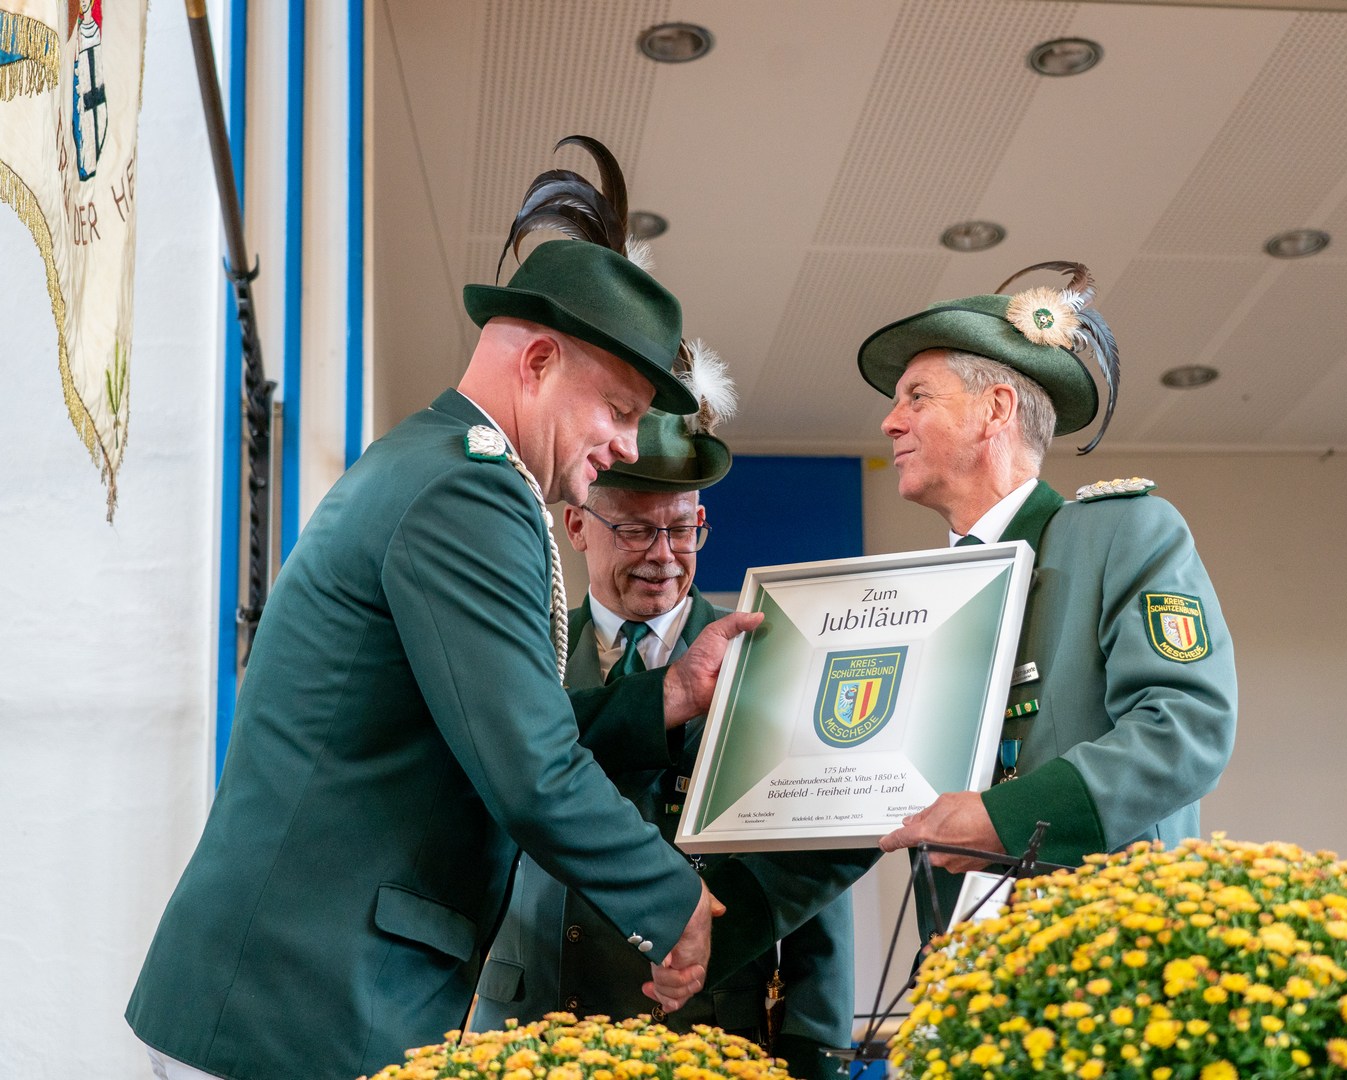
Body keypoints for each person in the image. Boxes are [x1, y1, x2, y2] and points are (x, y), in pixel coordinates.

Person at [124, 220, 762, 1078]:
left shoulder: (438, 467)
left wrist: (668, 696)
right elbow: (530, 770)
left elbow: (490, 720)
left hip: (286, 996)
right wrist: (673, 900)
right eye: (619, 411)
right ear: (537, 364)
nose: (623, 445)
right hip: (298, 1004)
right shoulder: (469, 492)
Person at [471, 347, 855, 1077]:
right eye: (635, 531)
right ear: (578, 526)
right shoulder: (524, 652)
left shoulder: (769, 657)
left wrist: (817, 1047)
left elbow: (816, 862)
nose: (663, 557)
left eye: (681, 530)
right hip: (537, 1028)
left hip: (707, 1030)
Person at [857, 261, 1239, 938]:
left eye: (917, 397)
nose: (891, 422)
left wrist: (1004, 820)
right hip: (963, 973)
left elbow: (1186, 726)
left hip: (1109, 968)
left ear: (996, 410)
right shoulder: (918, 603)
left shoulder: (1123, 533)